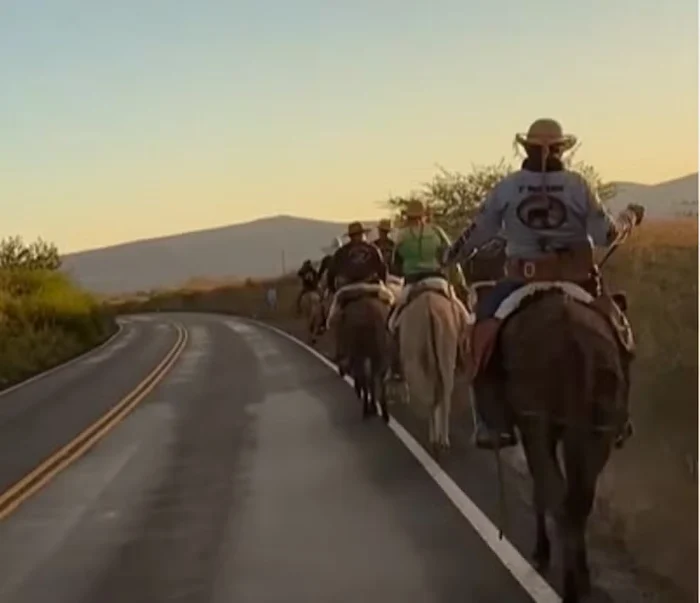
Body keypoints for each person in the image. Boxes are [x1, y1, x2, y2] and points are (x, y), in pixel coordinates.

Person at [442, 117, 644, 449]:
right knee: (620, 334)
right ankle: (618, 415)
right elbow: (605, 235)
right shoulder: (579, 185)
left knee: (481, 331)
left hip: (522, 279)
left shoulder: (506, 187)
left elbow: (479, 231)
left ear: (525, 148)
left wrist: (452, 255)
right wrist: (628, 219)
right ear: (563, 148)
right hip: (578, 278)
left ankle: (493, 423)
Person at [387, 199, 471, 379]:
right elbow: (450, 255)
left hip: (412, 284)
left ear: (407, 216)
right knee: (464, 317)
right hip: (437, 280)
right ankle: (465, 357)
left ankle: (395, 364)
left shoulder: (401, 236)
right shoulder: (436, 232)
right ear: (425, 215)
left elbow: (395, 264)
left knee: (392, 322)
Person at [326, 221, 390, 373]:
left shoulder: (341, 252)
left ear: (350, 236)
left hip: (348, 289)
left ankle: (342, 352)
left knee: (334, 319)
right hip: (372, 287)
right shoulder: (373, 249)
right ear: (363, 234)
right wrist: (383, 284)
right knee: (390, 308)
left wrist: (332, 289)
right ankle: (390, 349)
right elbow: (383, 270)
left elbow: (331, 274)